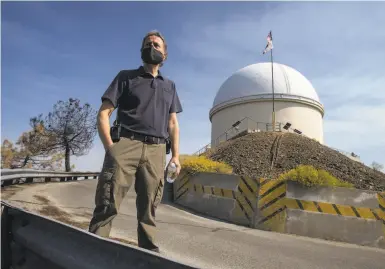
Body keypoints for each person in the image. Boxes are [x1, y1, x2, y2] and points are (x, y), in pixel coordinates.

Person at [88, 30, 183, 253]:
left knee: (149, 208)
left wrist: (176, 156)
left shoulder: (170, 86)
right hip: (125, 143)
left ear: (165, 55)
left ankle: (148, 257)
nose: (152, 46)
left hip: (157, 150)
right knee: (107, 202)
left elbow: (173, 123)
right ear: (141, 51)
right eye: (147, 43)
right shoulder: (125, 77)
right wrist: (111, 149)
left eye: (157, 44)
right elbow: (103, 113)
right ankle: (91, 251)